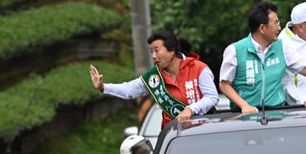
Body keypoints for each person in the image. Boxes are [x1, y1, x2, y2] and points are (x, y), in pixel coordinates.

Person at [220, 1, 306, 113]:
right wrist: (244, 106)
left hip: (277, 114)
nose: (279, 28)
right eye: (276, 23)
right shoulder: (235, 50)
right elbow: (224, 84)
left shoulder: (282, 46)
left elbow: (301, 67)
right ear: (262, 28)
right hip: (245, 115)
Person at [89, 30, 218, 127]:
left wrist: (191, 109)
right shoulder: (153, 77)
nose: (154, 56)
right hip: (174, 136)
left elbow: (212, 97)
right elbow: (129, 90)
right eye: (151, 51)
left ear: (171, 50)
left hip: (203, 131)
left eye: (157, 50)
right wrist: (103, 87)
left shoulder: (198, 68)